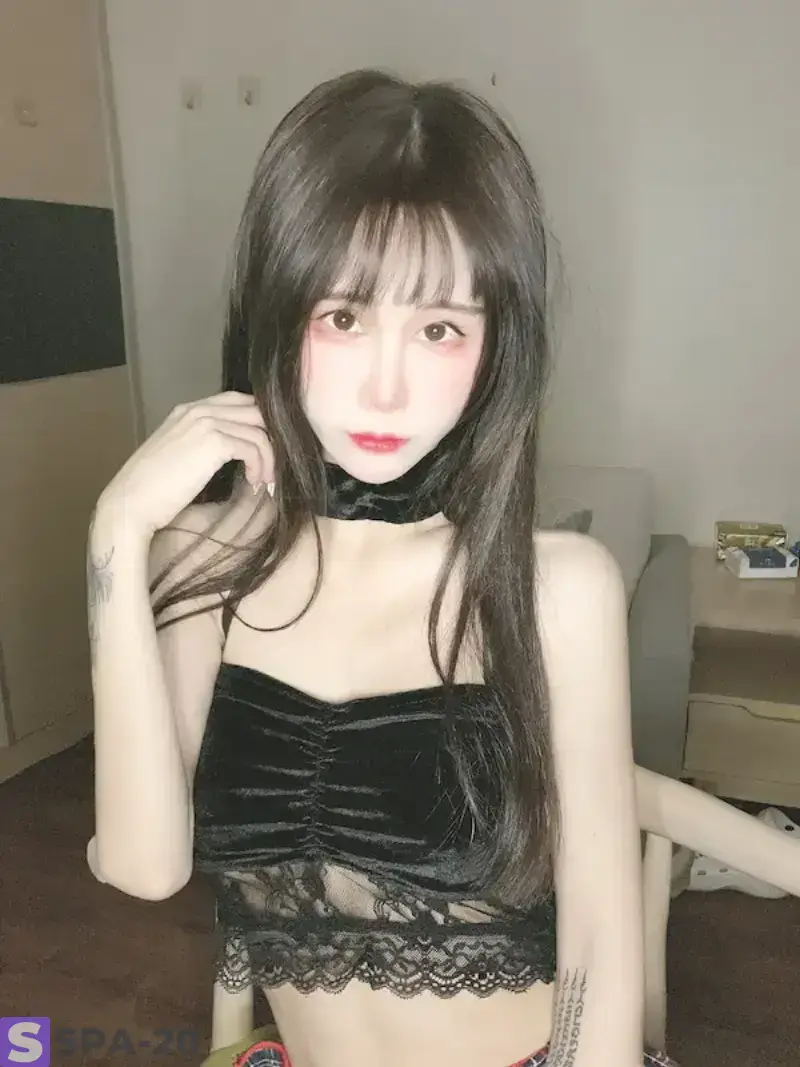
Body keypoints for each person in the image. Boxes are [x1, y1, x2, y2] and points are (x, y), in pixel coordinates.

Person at [86, 69, 681, 1067]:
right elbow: (144, 865)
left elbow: (597, 937)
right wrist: (117, 530)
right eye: (345, 318)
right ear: (278, 315)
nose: (388, 387)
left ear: (494, 350)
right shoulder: (205, 565)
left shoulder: (556, 587)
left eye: (440, 329)